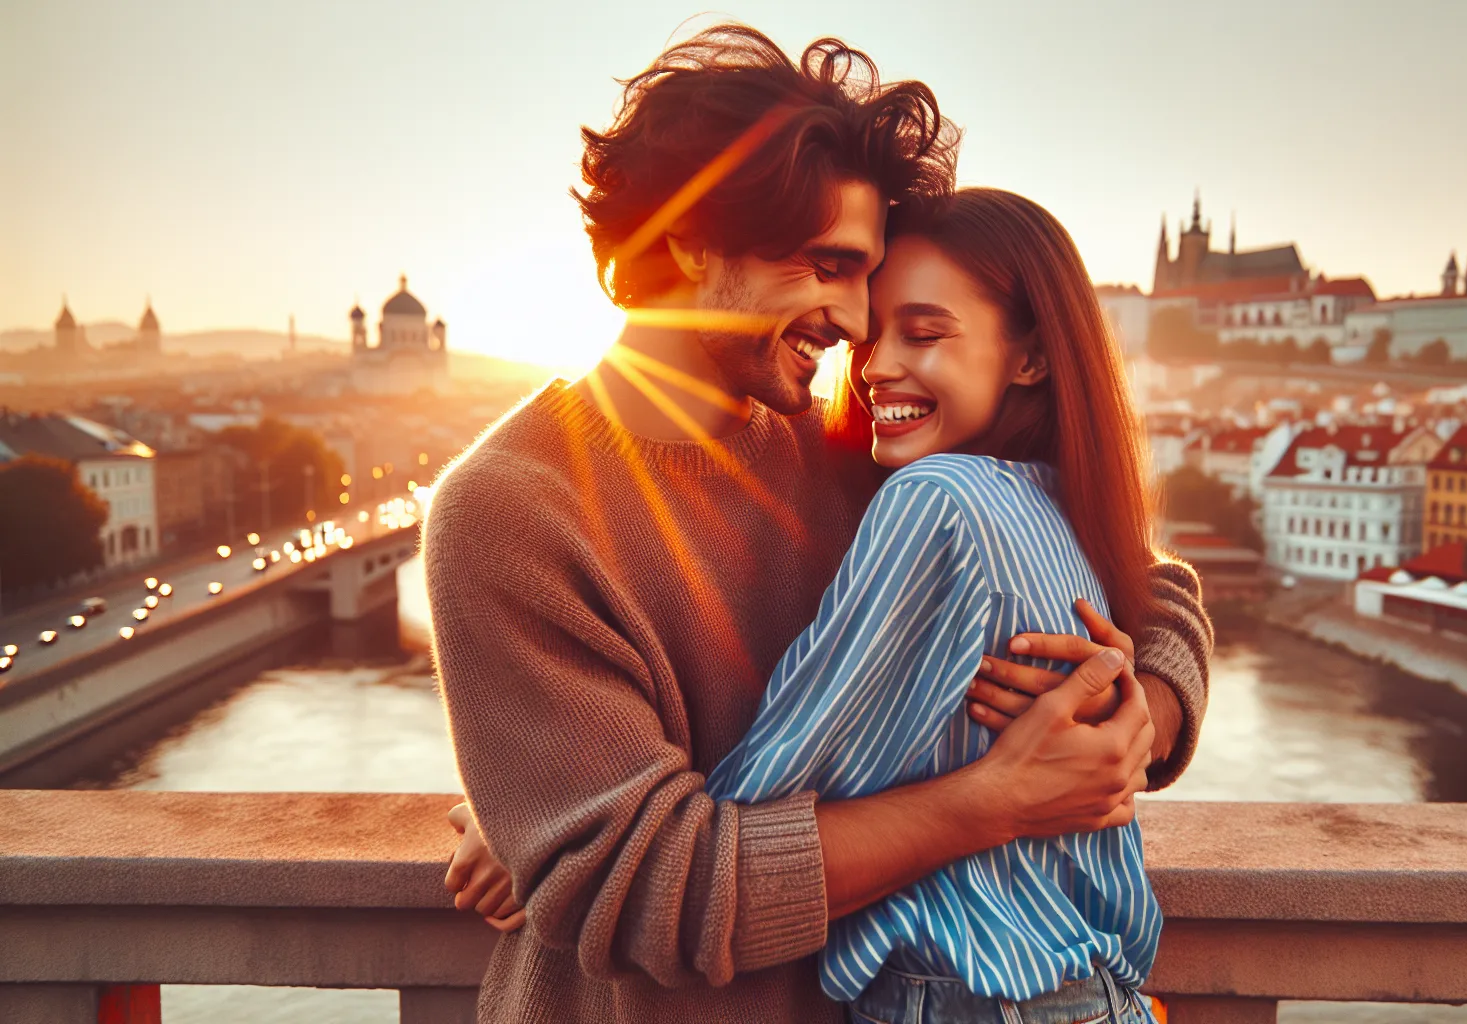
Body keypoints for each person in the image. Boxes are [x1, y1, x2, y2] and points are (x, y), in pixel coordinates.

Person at [426, 25, 1210, 1024]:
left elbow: (1143, 579)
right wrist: (996, 801)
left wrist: (1140, 711)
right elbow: (652, 896)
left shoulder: (846, 451)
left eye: (868, 281)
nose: (853, 322)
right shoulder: (511, 508)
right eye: (827, 266)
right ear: (684, 239)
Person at [706, 187, 1171, 1023]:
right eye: (874, 334)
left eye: (923, 333)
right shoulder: (1061, 504)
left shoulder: (936, 499)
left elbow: (755, 804)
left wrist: (571, 832)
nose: (876, 364)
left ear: (1030, 356)